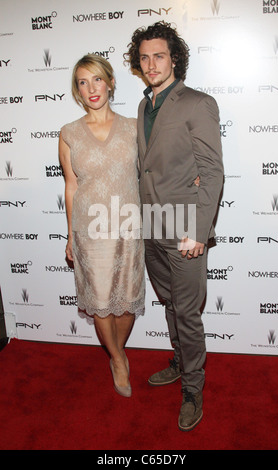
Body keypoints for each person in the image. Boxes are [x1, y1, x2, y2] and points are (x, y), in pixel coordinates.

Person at [125, 22, 223, 429]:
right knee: (169, 303)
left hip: (185, 230)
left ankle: (193, 390)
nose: (151, 64)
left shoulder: (197, 103)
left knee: (187, 313)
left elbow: (212, 172)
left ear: (175, 59)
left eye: (159, 55)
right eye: (144, 57)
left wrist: (198, 232)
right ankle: (181, 363)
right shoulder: (144, 106)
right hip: (152, 227)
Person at [59, 54, 145, 398]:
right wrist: (69, 234)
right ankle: (118, 359)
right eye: (82, 82)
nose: (91, 88)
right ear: (77, 92)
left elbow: (154, 168)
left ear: (110, 82)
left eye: (97, 79)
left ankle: (115, 350)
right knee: (100, 300)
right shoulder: (69, 133)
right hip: (89, 230)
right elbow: (70, 185)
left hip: (128, 225)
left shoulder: (133, 126)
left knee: (125, 303)